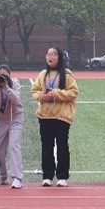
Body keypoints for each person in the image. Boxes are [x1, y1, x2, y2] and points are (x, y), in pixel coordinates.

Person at [31, 47, 78, 187]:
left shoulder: (67, 75)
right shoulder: (43, 74)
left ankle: (62, 176)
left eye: (53, 54)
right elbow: (35, 91)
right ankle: (47, 176)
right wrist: (42, 96)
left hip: (62, 116)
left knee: (62, 146)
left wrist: (57, 93)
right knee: (46, 146)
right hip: (45, 116)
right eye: (48, 54)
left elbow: (73, 92)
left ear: (60, 57)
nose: (50, 57)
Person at [0, 64, 24, 189]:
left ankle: (17, 177)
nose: (3, 77)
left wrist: (6, 87)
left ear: (10, 75)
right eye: (0, 75)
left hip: (16, 119)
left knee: (14, 145)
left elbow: (16, 100)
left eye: (5, 75)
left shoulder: (15, 83)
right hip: (1, 120)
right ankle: (3, 175)